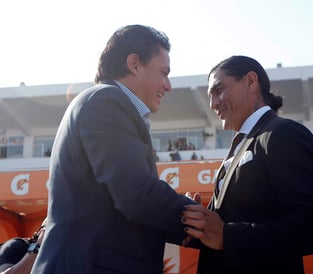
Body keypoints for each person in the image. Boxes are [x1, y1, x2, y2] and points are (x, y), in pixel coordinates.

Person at [32, 24, 198, 273]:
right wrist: (194, 218)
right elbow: (136, 193)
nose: (168, 85)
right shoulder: (106, 102)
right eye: (164, 72)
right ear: (134, 64)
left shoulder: (108, 105)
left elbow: (119, 207)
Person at [182, 56, 313, 273]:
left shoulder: (282, 133)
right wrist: (198, 222)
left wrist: (227, 235)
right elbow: (224, 231)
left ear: (250, 81)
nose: (212, 104)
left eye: (218, 90)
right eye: (210, 96)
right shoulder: (242, 144)